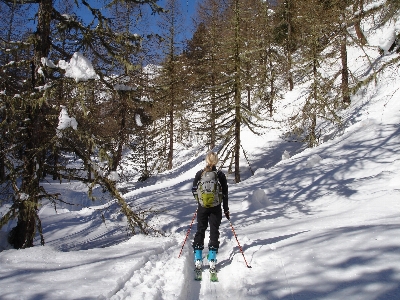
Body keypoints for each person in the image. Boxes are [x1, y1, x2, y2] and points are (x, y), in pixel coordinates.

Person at [191, 152, 229, 272]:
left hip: (202, 207)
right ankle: (212, 259)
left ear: (206, 161)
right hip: (216, 207)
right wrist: (226, 209)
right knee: (214, 231)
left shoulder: (200, 173)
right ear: (216, 161)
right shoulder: (220, 175)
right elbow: (225, 194)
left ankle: (198, 259)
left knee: (200, 230)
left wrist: (199, 200)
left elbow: (193, 189)